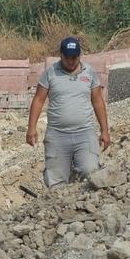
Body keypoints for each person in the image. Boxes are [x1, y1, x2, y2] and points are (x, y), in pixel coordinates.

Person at [26, 37, 111, 187]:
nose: (71, 61)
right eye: (67, 58)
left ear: (79, 55)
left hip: (84, 133)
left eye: (75, 57)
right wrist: (31, 128)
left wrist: (105, 130)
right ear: (61, 55)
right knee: (56, 180)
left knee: (90, 171)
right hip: (57, 134)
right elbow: (38, 100)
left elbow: (98, 101)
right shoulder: (50, 73)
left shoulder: (89, 73)